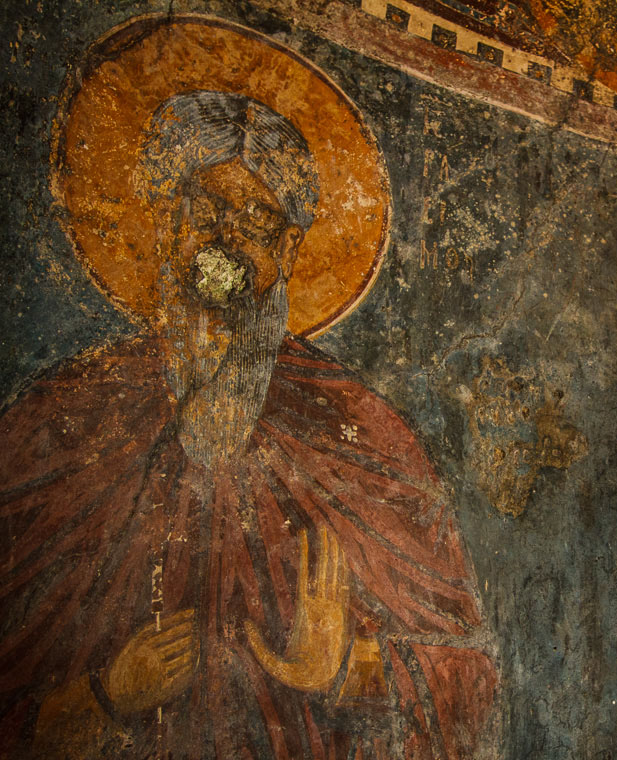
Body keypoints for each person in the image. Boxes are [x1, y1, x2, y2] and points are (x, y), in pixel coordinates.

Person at [0, 91, 497, 759]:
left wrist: (350, 671)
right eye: (205, 209)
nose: (225, 238)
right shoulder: (66, 416)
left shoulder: (358, 425)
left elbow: (468, 676)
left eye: (256, 220)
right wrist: (101, 698)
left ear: (290, 248)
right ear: (166, 221)